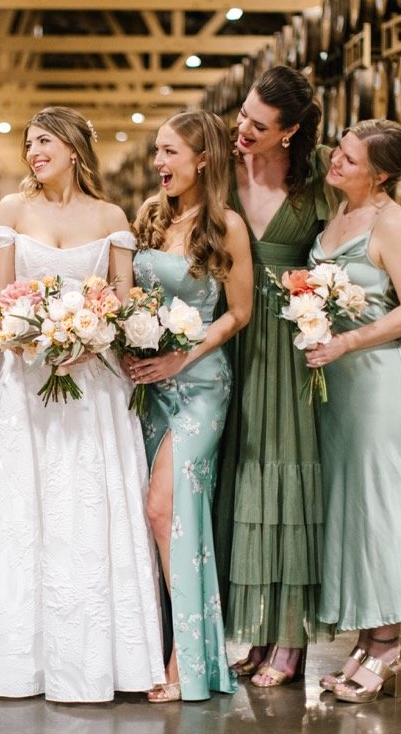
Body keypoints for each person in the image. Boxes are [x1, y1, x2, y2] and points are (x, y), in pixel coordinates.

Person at [0, 106, 164, 703]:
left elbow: (124, 304)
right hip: (22, 380)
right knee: (21, 509)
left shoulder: (110, 216)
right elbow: (2, 301)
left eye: (45, 142)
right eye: (30, 143)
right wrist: (33, 335)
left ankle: (100, 659)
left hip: (94, 383)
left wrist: (90, 338)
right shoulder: (12, 209)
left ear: (76, 149)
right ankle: (9, 657)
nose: (34, 153)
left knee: (85, 508)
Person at [303, 119, 401, 703]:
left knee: (380, 509)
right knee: (352, 510)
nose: (336, 161)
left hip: (381, 383)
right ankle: (366, 641)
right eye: (339, 149)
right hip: (339, 386)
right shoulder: (337, 217)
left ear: (380, 173)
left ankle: (387, 644)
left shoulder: (394, 222)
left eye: (350, 159)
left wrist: (349, 342)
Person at [213, 65, 335, 687]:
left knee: (282, 479)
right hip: (227, 338)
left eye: (259, 126)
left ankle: (289, 640)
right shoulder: (220, 176)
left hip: (288, 348)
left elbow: (349, 253)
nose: (243, 130)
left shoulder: (317, 188)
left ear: (288, 133)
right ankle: (254, 633)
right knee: (237, 478)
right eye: (242, 116)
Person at [126, 111, 253, 702]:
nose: (159, 163)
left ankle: (187, 658)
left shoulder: (226, 225)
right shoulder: (153, 216)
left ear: (202, 159)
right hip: (151, 383)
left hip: (200, 382)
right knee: (162, 517)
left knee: (164, 507)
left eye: (170, 152)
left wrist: (185, 356)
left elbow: (239, 312)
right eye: (157, 151)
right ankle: (158, 647)